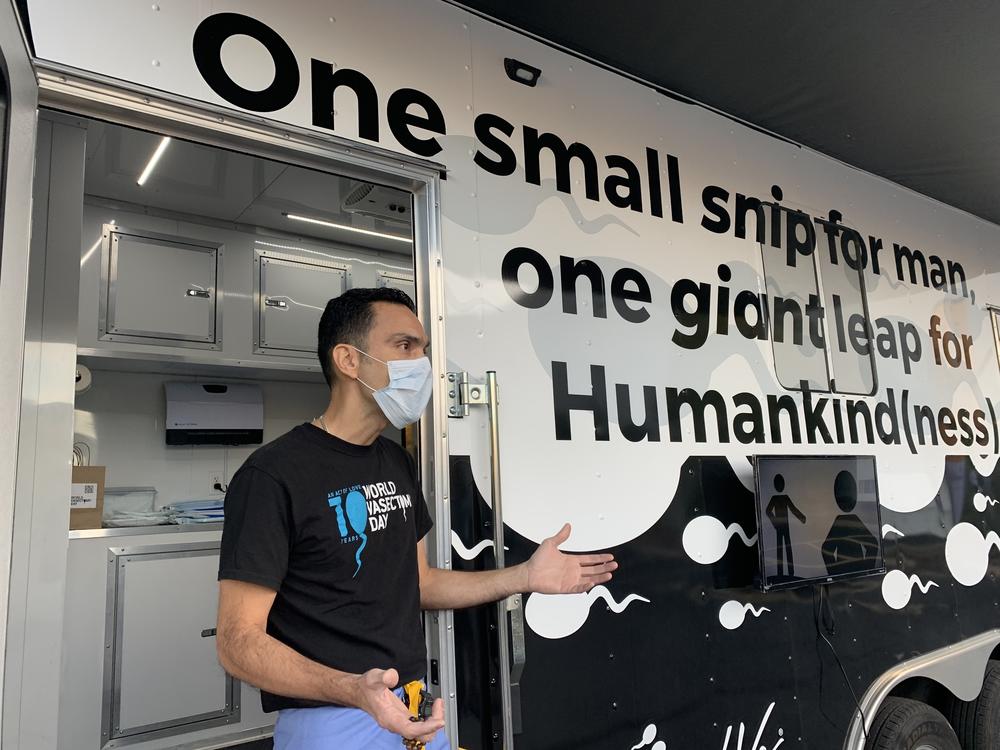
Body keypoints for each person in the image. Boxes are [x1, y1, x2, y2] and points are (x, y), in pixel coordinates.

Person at [216, 287, 617, 749]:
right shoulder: (273, 475)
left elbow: (421, 584)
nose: (422, 364)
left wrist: (524, 576)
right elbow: (237, 642)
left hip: (415, 709)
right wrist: (352, 689)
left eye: (423, 350)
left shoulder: (395, 462)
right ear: (349, 360)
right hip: (332, 723)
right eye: (405, 347)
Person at [765, 473, 807, 578]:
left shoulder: (785, 498)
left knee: (788, 549)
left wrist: (802, 517)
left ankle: (791, 572)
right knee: (780, 550)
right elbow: (768, 511)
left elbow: (793, 509)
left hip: (785, 527)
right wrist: (775, 524)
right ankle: (780, 573)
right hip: (780, 527)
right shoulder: (775, 498)